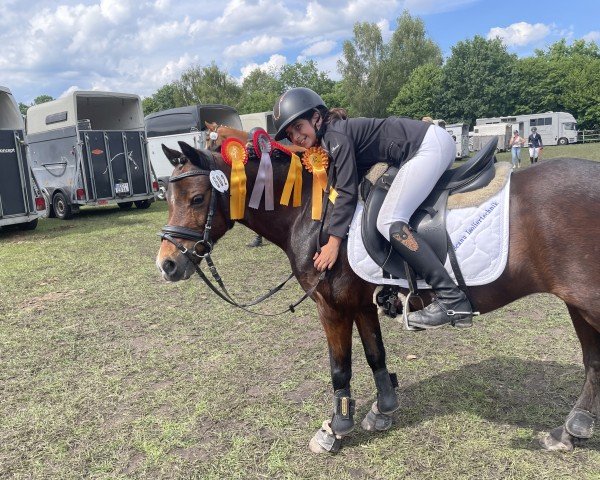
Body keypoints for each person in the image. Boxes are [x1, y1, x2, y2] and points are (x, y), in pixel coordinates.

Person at [273, 87, 473, 330]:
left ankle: (452, 298)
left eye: (298, 127)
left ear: (316, 117)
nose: (296, 137)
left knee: (389, 221)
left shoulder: (336, 136)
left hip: (428, 146)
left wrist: (334, 243)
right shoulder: (330, 138)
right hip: (427, 146)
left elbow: (346, 192)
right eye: (290, 134)